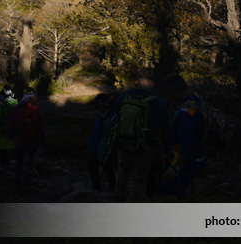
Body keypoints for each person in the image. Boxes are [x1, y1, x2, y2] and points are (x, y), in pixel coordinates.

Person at [112, 72, 171, 202]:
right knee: (138, 178)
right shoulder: (158, 103)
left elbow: (114, 119)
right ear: (152, 85)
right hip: (145, 146)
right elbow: (166, 129)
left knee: (122, 171)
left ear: (136, 83)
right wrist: (168, 151)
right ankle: (132, 203)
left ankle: (118, 198)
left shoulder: (123, 98)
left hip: (124, 142)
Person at [158, 74, 207, 199]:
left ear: (175, 90)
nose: (168, 95)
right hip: (198, 156)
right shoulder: (196, 102)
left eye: (169, 92)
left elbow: (186, 142)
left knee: (166, 190)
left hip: (188, 162)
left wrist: (176, 169)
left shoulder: (185, 113)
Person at [8, 86, 48, 190]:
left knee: (19, 161)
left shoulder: (17, 109)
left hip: (19, 140)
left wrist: (10, 135)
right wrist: (44, 138)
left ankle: (17, 181)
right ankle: (28, 181)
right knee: (30, 160)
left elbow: (11, 124)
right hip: (33, 141)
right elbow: (42, 126)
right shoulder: (37, 110)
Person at [87, 93, 118, 192]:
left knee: (95, 167)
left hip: (100, 150)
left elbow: (104, 137)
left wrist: (100, 153)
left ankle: (99, 189)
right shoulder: (105, 116)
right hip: (99, 149)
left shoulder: (107, 119)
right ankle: (111, 186)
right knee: (106, 167)